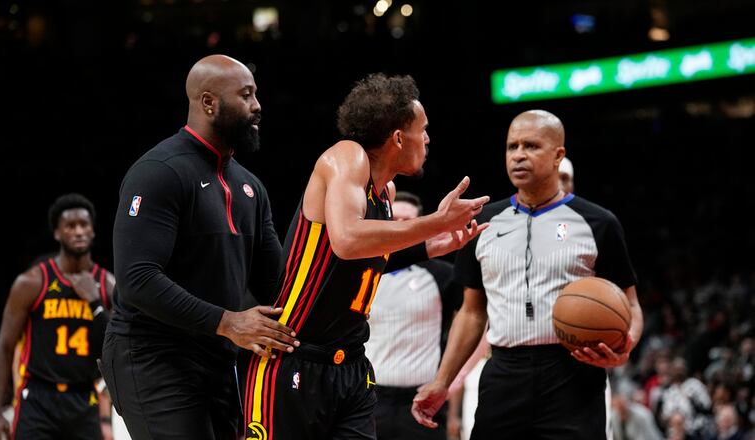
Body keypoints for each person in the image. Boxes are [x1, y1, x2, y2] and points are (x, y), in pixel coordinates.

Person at [242, 73, 489, 440]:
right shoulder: (346, 157)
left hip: (351, 365)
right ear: (398, 138)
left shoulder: (385, 192)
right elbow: (346, 239)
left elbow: (364, 260)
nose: (428, 138)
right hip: (293, 356)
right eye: (423, 129)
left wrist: (434, 244)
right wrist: (434, 222)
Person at [412, 109, 644, 440]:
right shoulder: (482, 224)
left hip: (574, 373)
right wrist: (442, 381)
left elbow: (631, 304)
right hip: (504, 372)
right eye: (512, 147)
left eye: (531, 146)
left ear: (558, 156)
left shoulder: (599, 222)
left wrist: (628, 342)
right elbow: (472, 312)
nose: (519, 155)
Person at [103, 54, 298, 440]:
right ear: (208, 102)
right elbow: (136, 279)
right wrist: (229, 322)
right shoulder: (159, 171)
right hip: (151, 354)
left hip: (216, 355)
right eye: (246, 95)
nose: (257, 106)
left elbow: (280, 280)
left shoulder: (250, 187)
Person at [0, 193, 115, 440]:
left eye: (84, 225)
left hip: (84, 397)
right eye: (70, 226)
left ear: (93, 231)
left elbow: (115, 347)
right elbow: (4, 347)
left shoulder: (108, 284)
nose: (78, 231)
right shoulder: (32, 282)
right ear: (57, 233)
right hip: (37, 398)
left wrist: (94, 301)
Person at [365, 191, 464, 440]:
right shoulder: (363, 270)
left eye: (406, 221)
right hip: (368, 398)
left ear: (419, 226)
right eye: (394, 219)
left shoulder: (443, 274)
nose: (399, 227)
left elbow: (477, 316)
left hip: (420, 400)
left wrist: (453, 378)